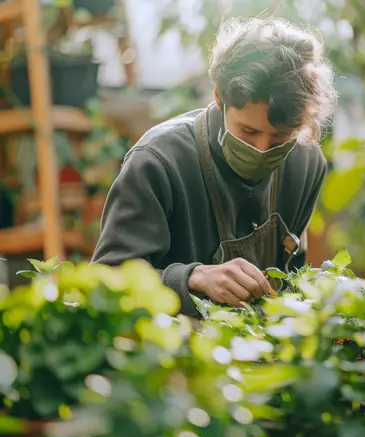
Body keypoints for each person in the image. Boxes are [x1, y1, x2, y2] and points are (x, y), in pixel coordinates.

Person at [90, 17, 337, 316]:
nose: (261, 149)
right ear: (219, 96)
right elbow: (106, 283)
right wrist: (193, 278)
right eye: (248, 131)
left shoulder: (305, 163)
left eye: (280, 137)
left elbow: (293, 278)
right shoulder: (157, 163)